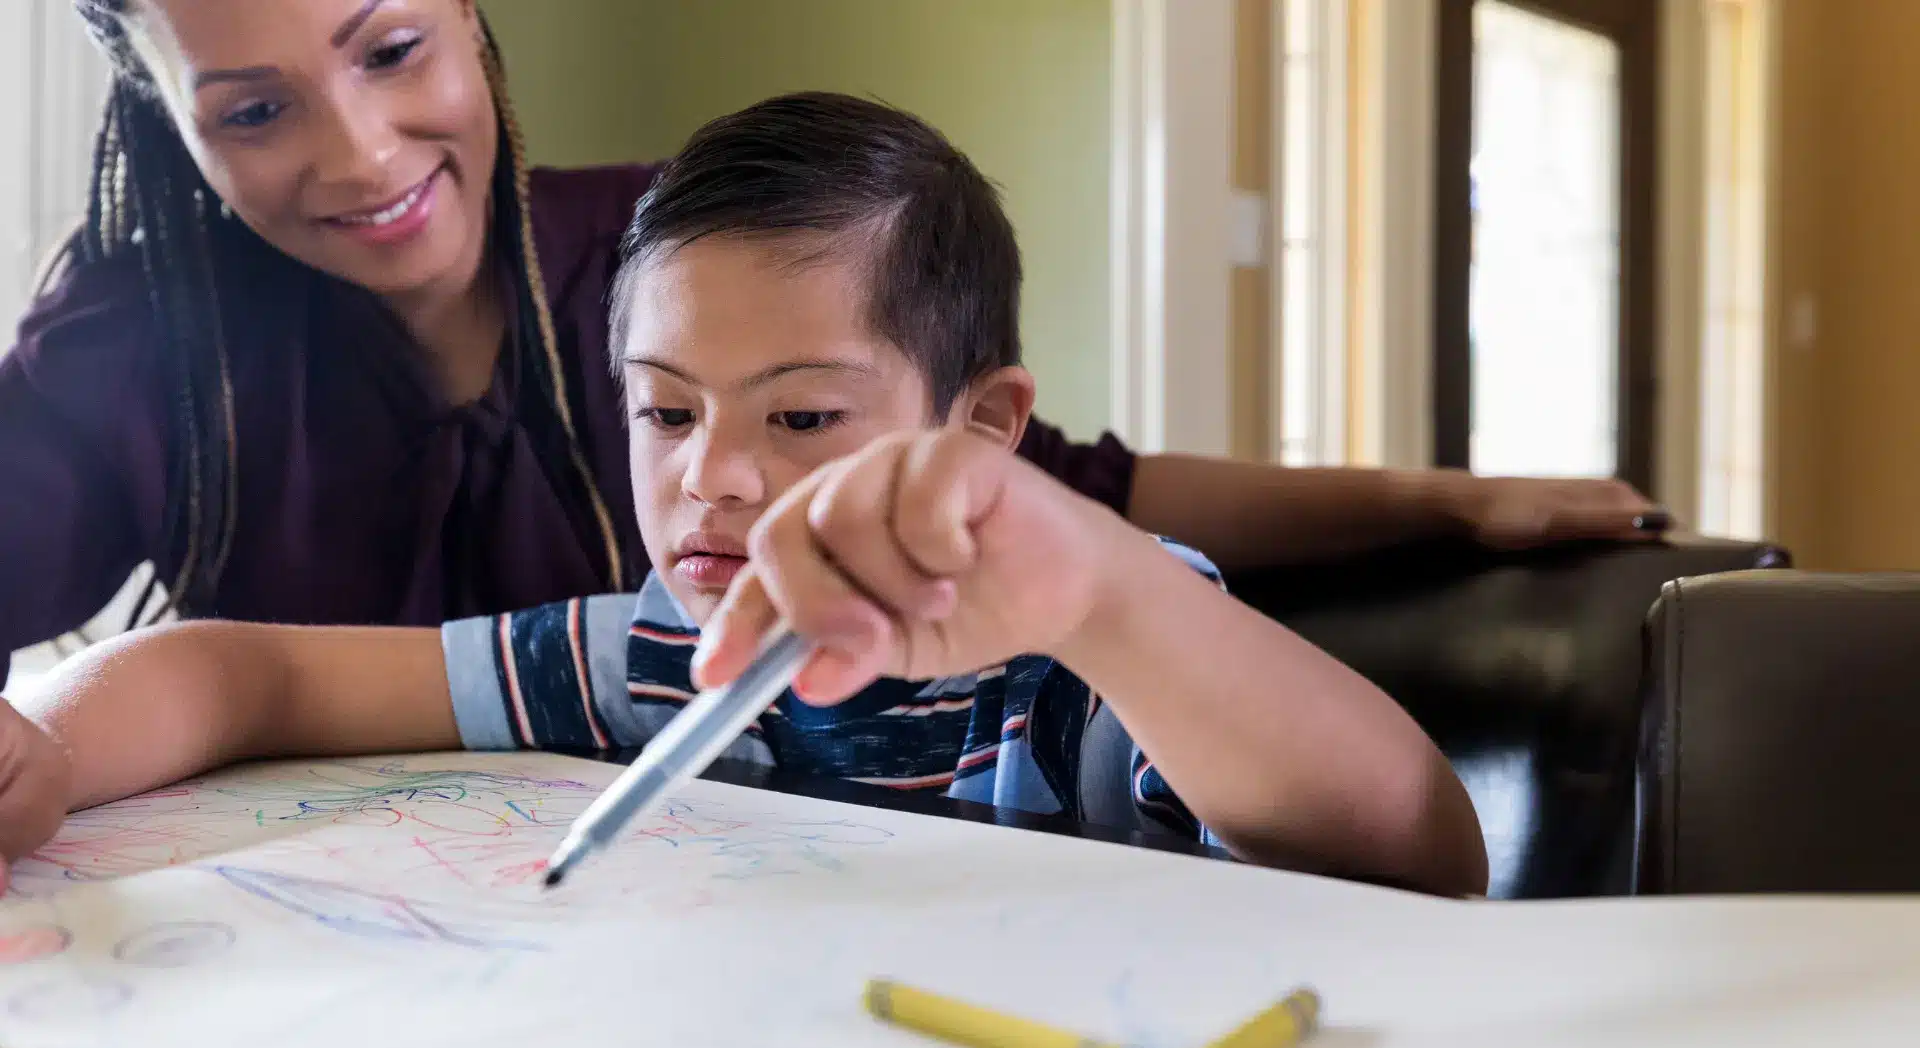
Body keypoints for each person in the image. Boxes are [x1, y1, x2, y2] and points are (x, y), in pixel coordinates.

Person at [0, 92, 1490, 899]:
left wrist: (1100, 590)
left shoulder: (1085, 653)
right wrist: (42, 757)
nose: (711, 476)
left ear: (983, 429)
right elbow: (240, 673)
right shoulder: (662, 651)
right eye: (663, 411)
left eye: (803, 416)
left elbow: (1418, 849)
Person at [0, 0, 1659, 687]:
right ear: (167, 118)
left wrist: (1449, 503)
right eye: (256, 109)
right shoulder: (138, 340)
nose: (358, 154)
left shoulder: (669, 265)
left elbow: (1060, 488)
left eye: (390, 49)